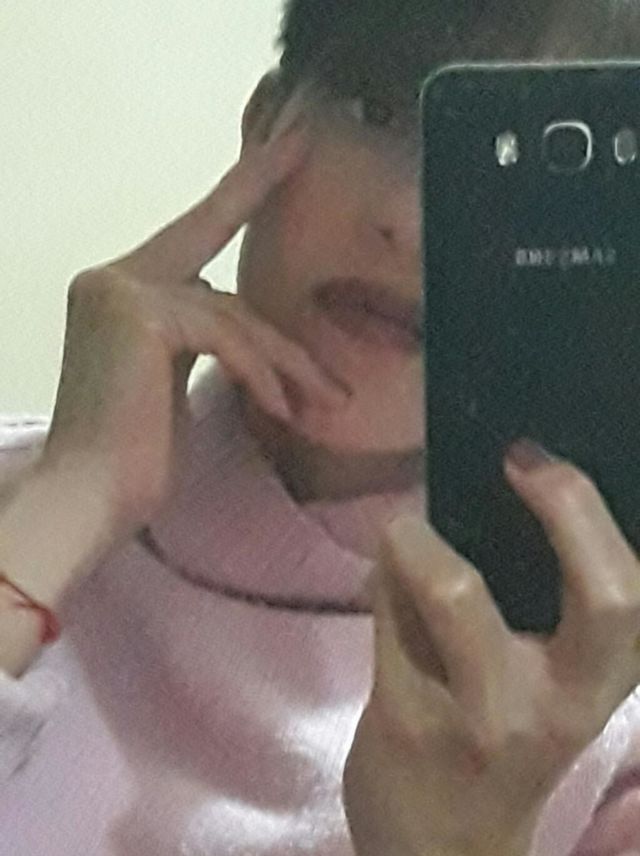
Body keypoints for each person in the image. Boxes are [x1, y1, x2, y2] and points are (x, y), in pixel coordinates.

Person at [2, 0, 640, 853]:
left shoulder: (600, 703)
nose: (408, 222)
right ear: (262, 125)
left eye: (508, 160)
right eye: (375, 112)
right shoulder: (28, 516)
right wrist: (69, 500)